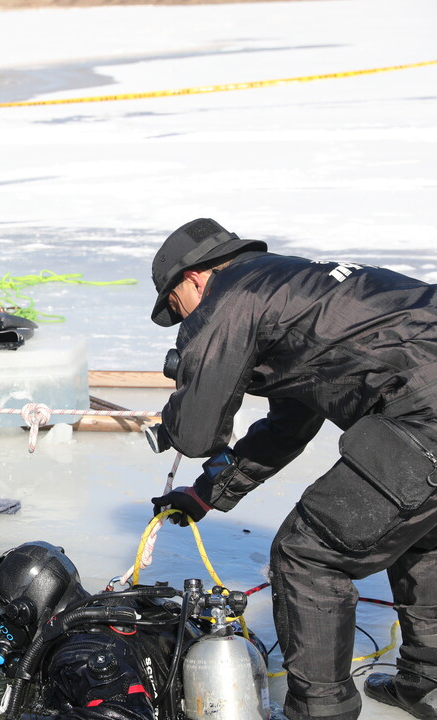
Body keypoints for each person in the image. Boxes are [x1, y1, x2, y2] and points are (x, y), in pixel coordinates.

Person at [144, 218, 437, 720]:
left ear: (192, 278)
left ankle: (319, 711)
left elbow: (195, 434)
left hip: (424, 411)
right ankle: (428, 683)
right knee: (420, 532)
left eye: (177, 306)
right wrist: (206, 493)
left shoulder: (229, 298)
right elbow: (289, 425)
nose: (184, 319)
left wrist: (177, 405)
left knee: (308, 556)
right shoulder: (292, 287)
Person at [0, 541, 265, 720]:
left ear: (24, 612)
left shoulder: (75, 654)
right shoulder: (132, 606)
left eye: (2, 623)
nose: (2, 635)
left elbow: (125, 716)